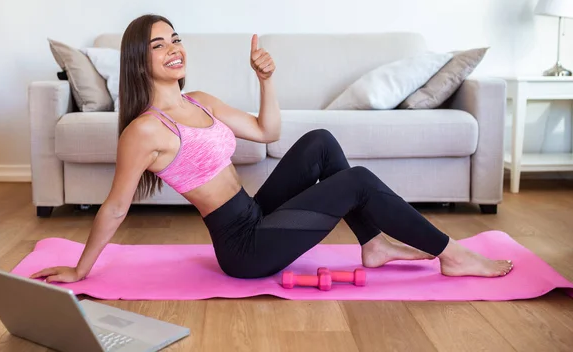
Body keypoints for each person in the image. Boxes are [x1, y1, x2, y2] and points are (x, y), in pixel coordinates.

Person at [31, 14, 513, 284]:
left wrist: (266, 79)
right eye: (159, 45)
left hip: (256, 214)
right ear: (140, 60)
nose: (174, 47)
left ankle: (374, 243)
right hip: (244, 249)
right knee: (359, 182)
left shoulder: (201, 101)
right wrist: (80, 268)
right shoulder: (144, 131)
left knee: (320, 143)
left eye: (176, 37)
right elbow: (114, 207)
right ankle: (451, 254)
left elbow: (267, 132)